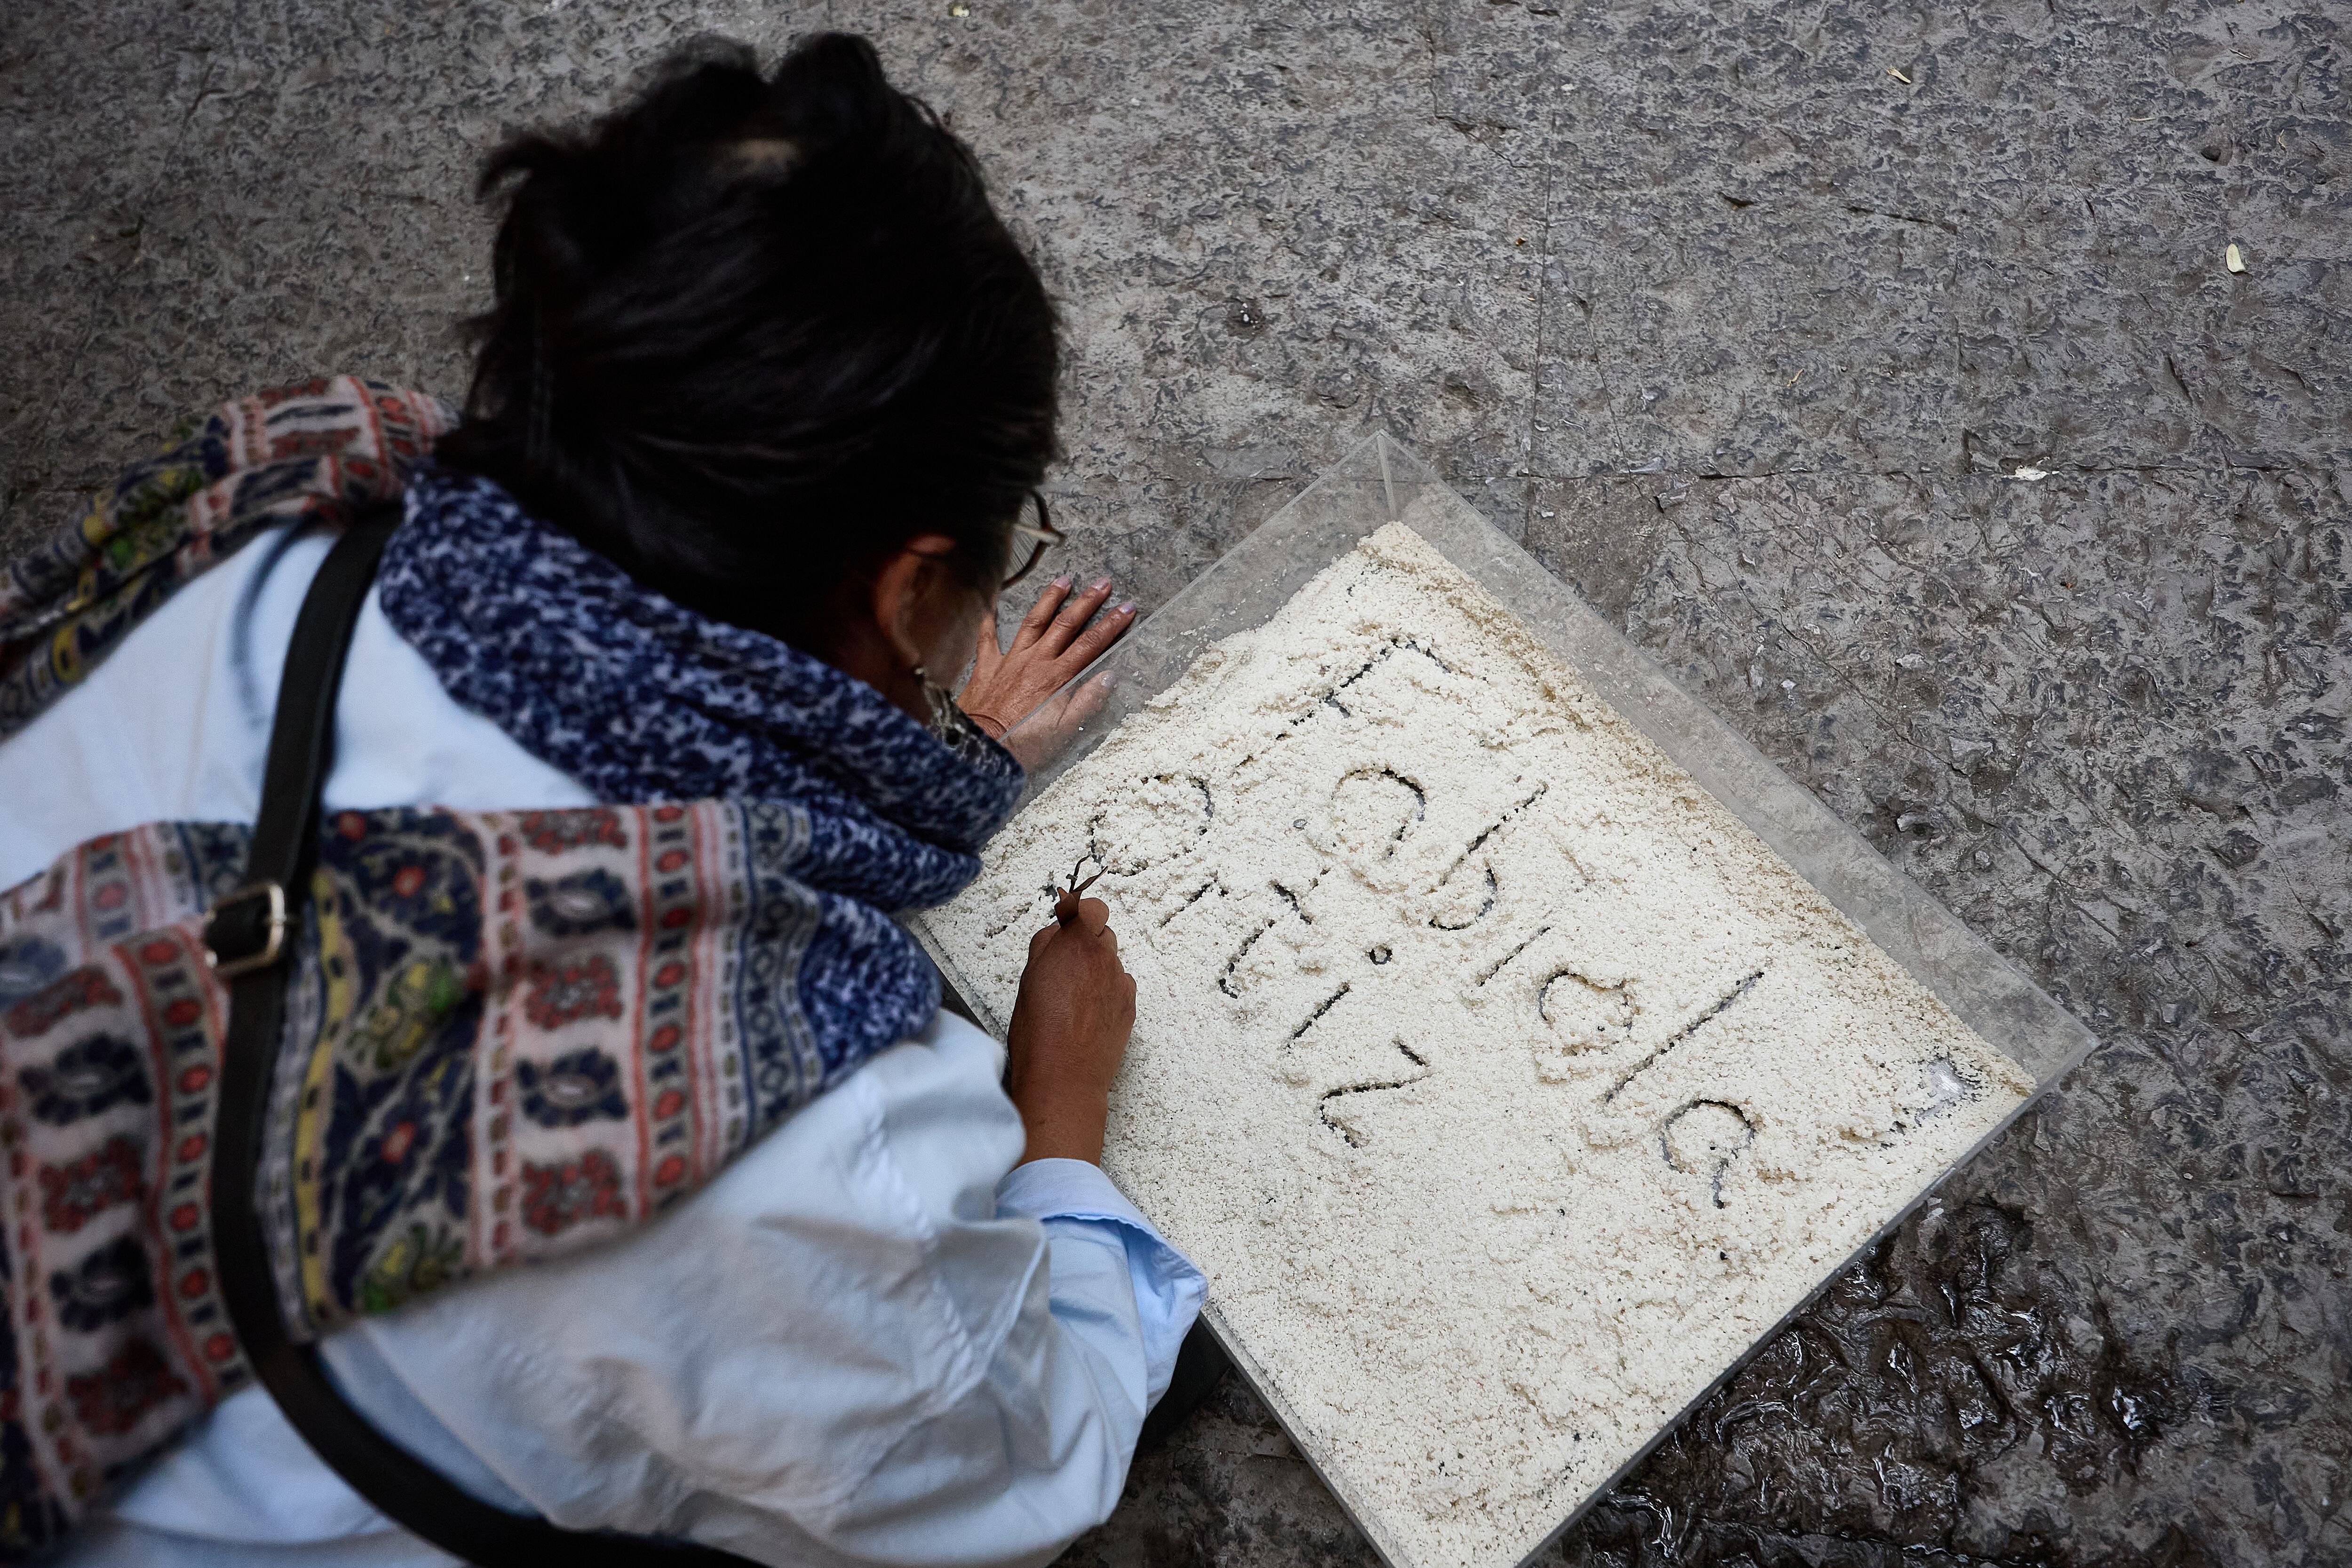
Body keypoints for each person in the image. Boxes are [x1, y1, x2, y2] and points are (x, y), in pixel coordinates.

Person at [0, 31, 1201, 1568]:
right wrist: (1058, 1113)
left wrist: (925, 735)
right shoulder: (819, 1145)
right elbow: (1018, 1477)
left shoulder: (290, 506)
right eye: (992, 557)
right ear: (909, 593)